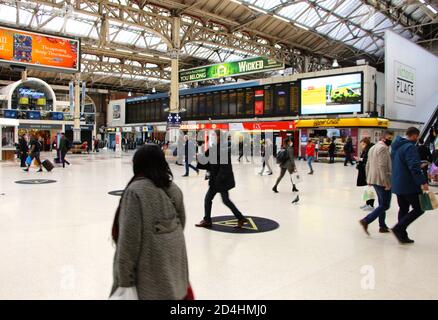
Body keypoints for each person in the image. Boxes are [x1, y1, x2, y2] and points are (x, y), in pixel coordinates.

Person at [111, 144, 190, 300]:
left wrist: (124, 282)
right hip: (175, 274)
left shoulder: (136, 191)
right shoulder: (174, 189)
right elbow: (182, 223)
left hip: (148, 282)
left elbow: (129, 242)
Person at [196, 131, 248, 229]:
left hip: (220, 181)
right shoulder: (213, 148)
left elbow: (225, 168)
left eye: (216, 136)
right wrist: (200, 158)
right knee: (223, 200)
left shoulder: (223, 150)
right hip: (216, 180)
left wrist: (216, 181)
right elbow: (207, 162)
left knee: (216, 200)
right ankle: (240, 218)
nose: (214, 138)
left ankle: (208, 220)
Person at [391, 127, 429, 244]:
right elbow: (413, 167)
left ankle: (402, 235)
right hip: (409, 184)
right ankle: (398, 228)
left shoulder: (396, 147)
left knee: (403, 208)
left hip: (398, 183)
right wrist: (422, 182)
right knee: (420, 208)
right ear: (414, 136)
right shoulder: (410, 147)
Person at [359, 131, 393, 235]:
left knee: (382, 203)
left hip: (374, 179)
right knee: (385, 205)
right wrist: (386, 182)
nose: (390, 140)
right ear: (383, 138)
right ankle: (366, 220)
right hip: (381, 180)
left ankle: (382, 226)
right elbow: (382, 166)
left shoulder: (373, 148)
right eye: (389, 138)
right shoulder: (383, 148)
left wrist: (368, 178)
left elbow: (368, 164)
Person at [272, 138, 299, 203]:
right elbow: (291, 158)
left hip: (282, 164)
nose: (291, 142)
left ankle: (275, 186)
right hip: (289, 164)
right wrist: (294, 165)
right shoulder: (290, 148)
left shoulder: (283, 147)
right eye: (290, 141)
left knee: (280, 176)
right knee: (292, 176)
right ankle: (294, 187)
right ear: (288, 142)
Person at [355, 137, 375, 211]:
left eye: (362, 144)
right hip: (364, 171)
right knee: (366, 189)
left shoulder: (370, 150)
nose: (361, 146)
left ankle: (371, 205)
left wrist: (360, 159)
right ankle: (367, 203)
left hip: (368, 172)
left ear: (366, 143)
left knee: (369, 189)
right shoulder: (365, 150)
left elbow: (368, 160)